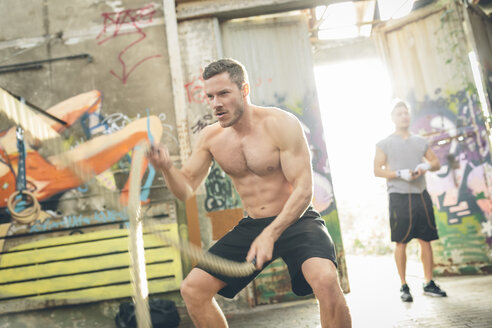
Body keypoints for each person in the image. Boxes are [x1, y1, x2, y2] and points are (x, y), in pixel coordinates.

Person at [147, 58, 351, 327]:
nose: (215, 103)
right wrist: (166, 168)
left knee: (325, 279)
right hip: (254, 225)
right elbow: (184, 190)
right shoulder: (211, 138)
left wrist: (271, 233)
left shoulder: (281, 124)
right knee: (193, 290)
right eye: (210, 96)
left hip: (297, 219)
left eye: (223, 94)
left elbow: (303, 191)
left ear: (244, 90)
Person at [374, 99, 447, 302]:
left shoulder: (420, 141)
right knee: (401, 242)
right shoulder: (384, 143)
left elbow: (436, 162)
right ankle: (404, 286)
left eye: (406, 113)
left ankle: (429, 283)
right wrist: (399, 173)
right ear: (393, 118)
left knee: (426, 241)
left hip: (420, 196)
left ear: (409, 116)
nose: (403, 116)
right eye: (399, 114)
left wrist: (425, 167)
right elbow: (377, 169)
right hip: (398, 196)